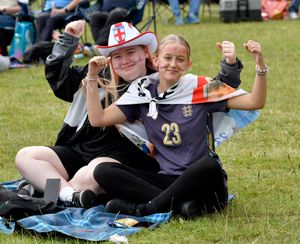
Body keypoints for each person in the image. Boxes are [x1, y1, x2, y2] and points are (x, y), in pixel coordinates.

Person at [15, 20, 243, 211]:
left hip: (122, 162)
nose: (125, 60)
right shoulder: (97, 74)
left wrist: (230, 66)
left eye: (131, 52)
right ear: (110, 59)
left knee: (92, 173)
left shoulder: (160, 83)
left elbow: (212, 92)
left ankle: (46, 192)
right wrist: (68, 40)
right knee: (28, 156)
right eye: (117, 56)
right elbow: (59, 80)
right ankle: (60, 194)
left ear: (146, 53)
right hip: (78, 149)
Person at [84, 30, 267, 218]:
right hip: (167, 180)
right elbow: (98, 119)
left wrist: (260, 64)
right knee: (104, 171)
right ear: (155, 61)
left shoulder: (200, 88)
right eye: (168, 58)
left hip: (204, 182)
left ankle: (147, 209)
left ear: (188, 65)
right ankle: (179, 207)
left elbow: (254, 102)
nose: (173, 64)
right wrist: (91, 76)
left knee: (210, 165)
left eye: (180, 60)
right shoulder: (142, 92)